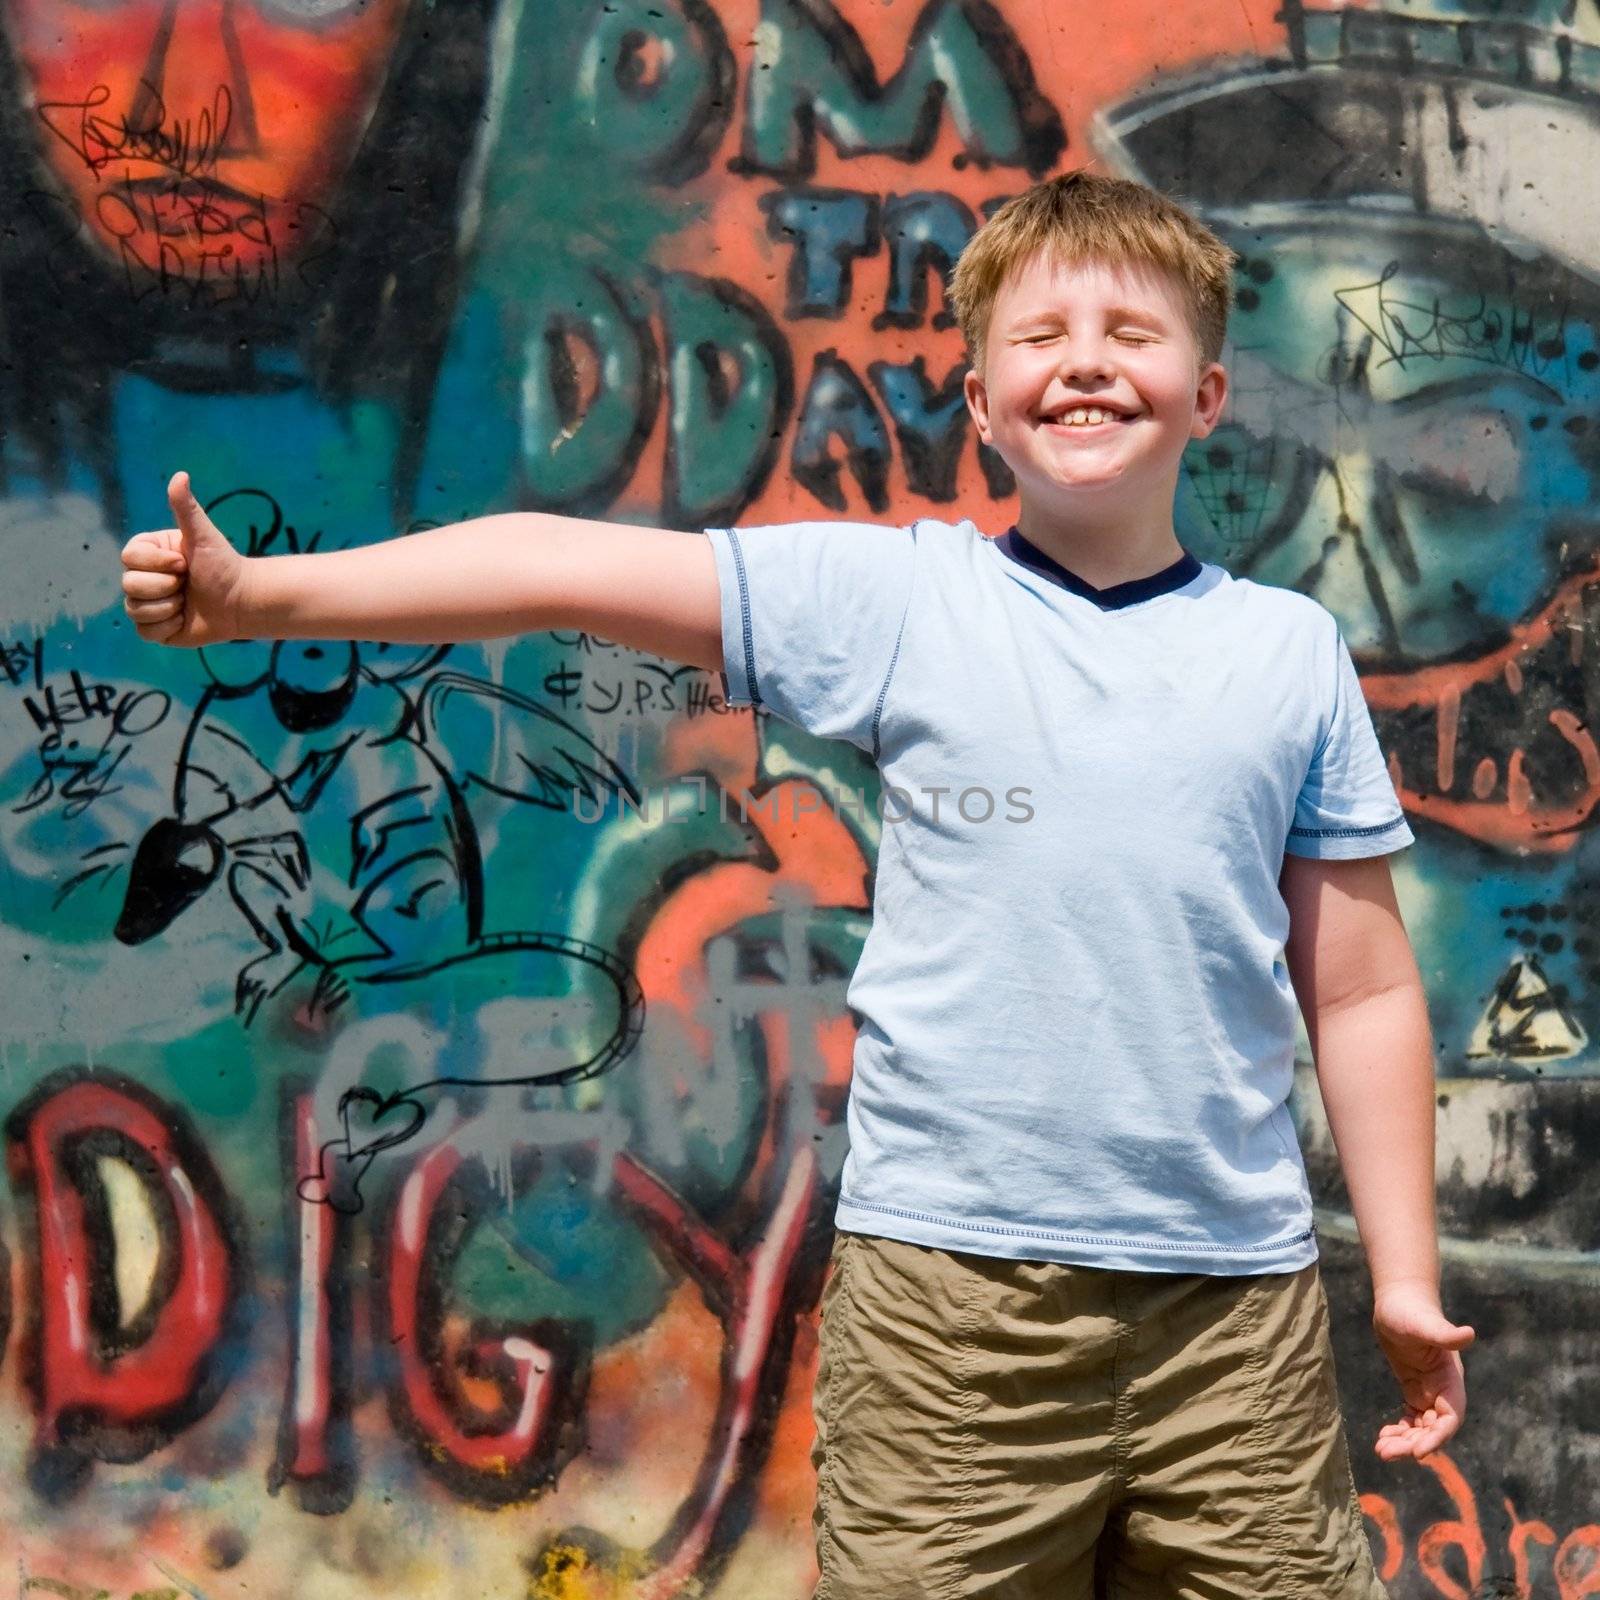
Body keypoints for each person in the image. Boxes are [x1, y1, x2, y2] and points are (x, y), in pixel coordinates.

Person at [119, 171, 1473, 1599]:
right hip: (955, 1316)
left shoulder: (1287, 654)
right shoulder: (900, 602)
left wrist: (1401, 1278)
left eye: (1132, 333)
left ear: (1208, 396)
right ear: (980, 401)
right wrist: (268, 600)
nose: (1085, 359)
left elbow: (1363, 986)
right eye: (1041, 334)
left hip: (1232, 1320)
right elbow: (557, 566)